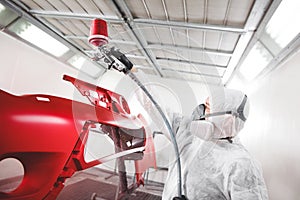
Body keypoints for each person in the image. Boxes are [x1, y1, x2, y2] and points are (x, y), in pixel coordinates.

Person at [162, 88, 269, 200]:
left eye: (208, 107)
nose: (200, 112)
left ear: (225, 119)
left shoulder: (242, 165)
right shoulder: (191, 135)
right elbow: (158, 110)